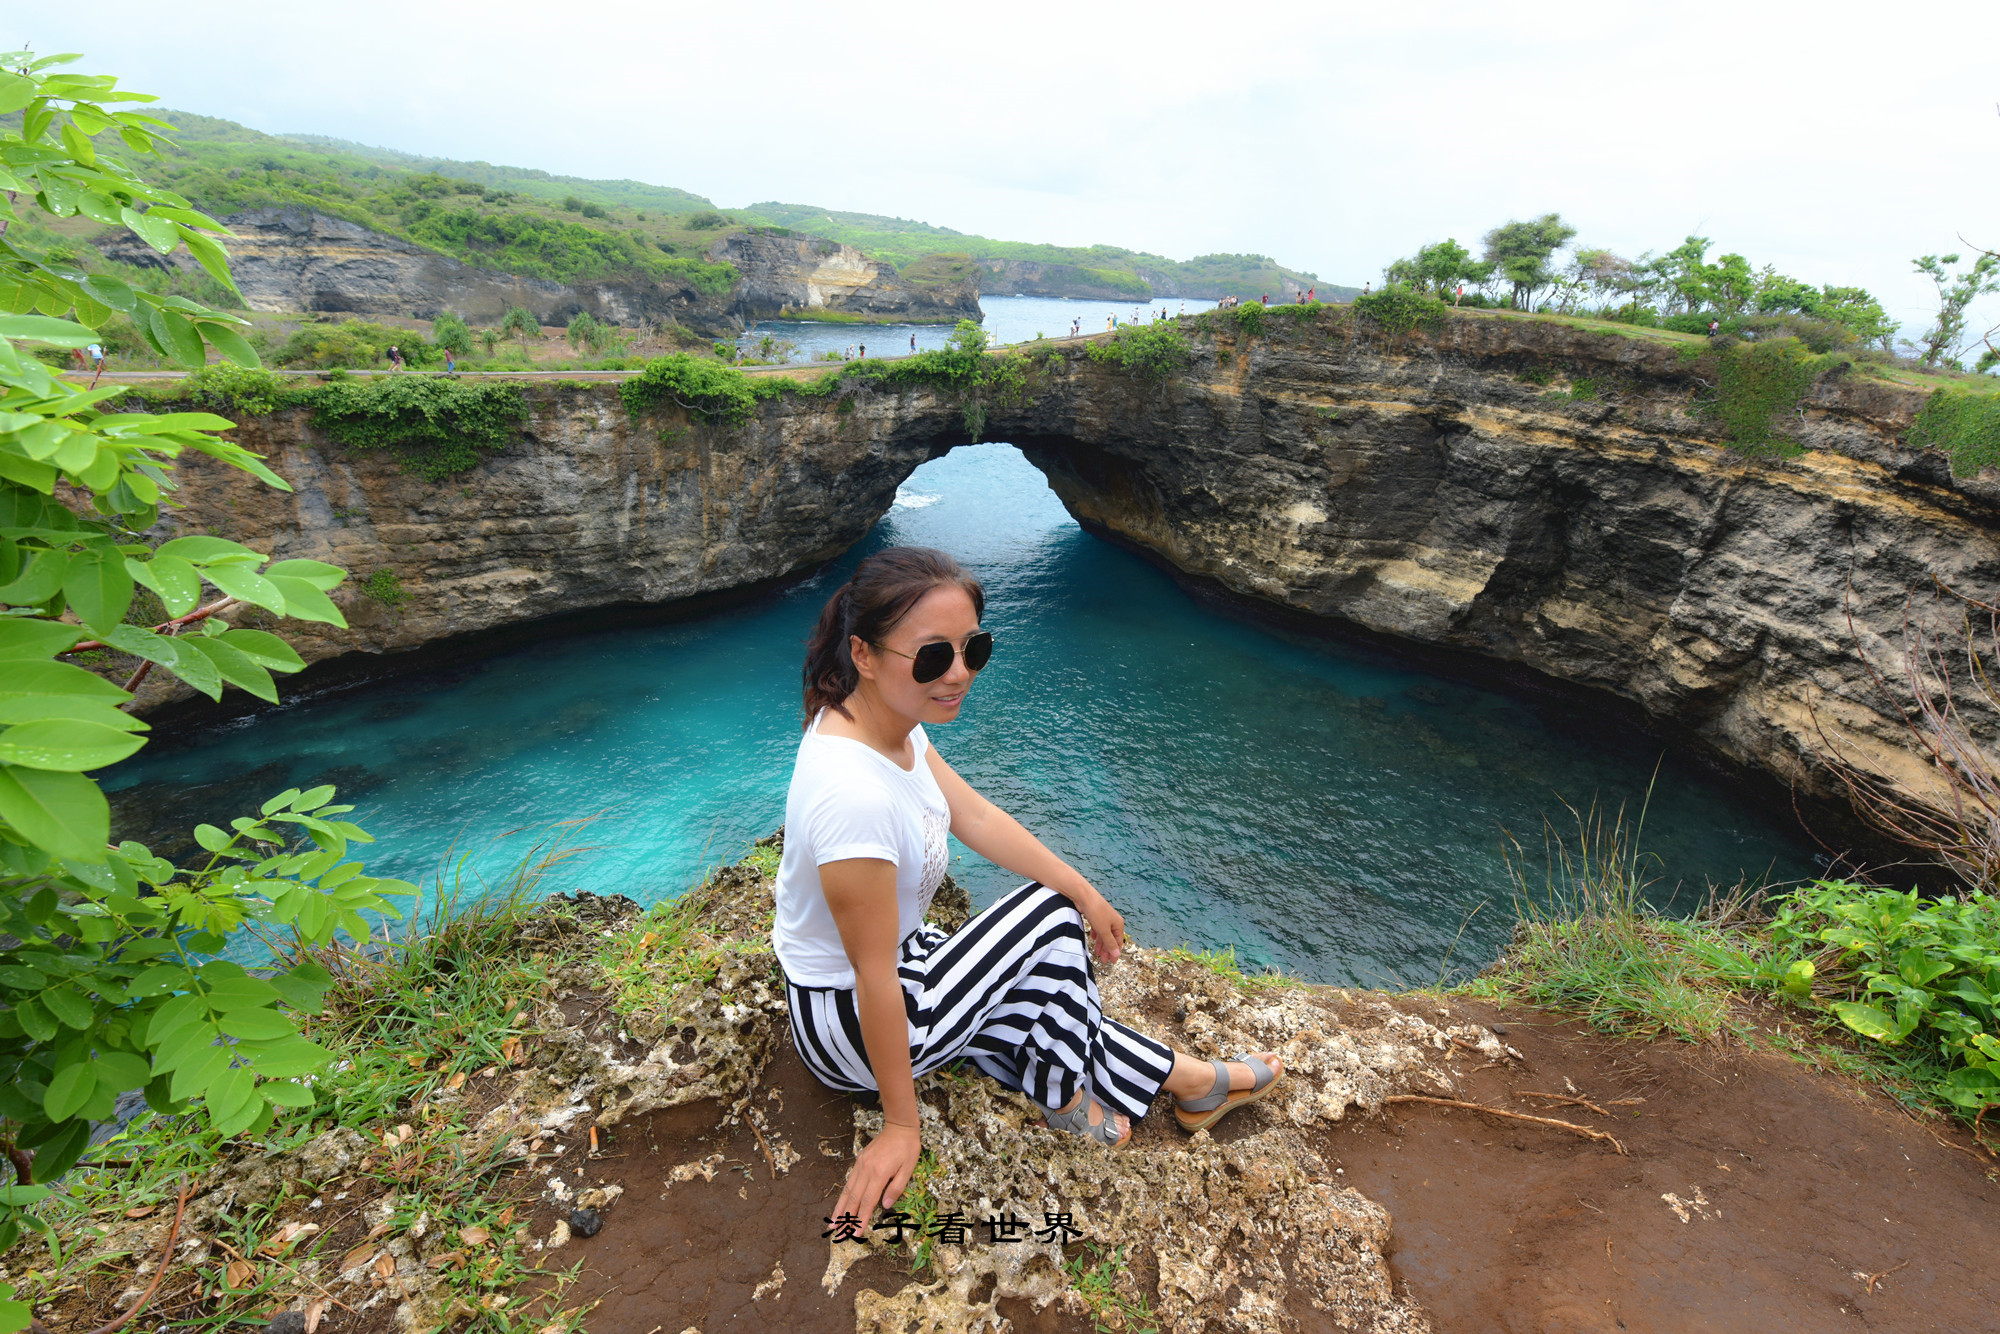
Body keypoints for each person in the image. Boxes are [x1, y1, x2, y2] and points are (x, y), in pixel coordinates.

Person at [782, 548, 1287, 1226]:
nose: (958, 674)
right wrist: (901, 1126)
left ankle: (1188, 1080)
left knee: (1038, 997)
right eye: (932, 658)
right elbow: (873, 978)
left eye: (973, 649)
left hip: (896, 969)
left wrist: (1086, 885)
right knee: (1048, 921)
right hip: (848, 1022)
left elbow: (977, 816)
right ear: (864, 654)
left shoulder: (887, 725)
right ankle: (1066, 1097)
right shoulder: (853, 796)